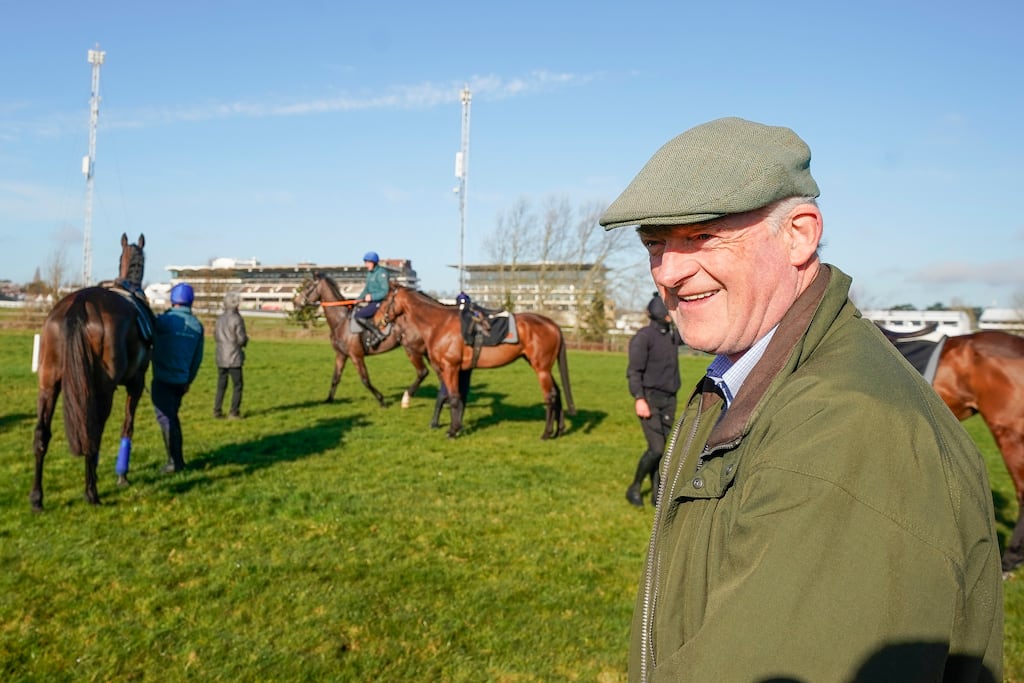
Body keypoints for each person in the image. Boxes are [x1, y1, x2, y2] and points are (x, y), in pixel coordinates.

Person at [599, 117, 1003, 681]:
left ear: (799, 234)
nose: (668, 271)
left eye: (700, 237)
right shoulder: (746, 373)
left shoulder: (843, 428)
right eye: (655, 244)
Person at [625, 292, 681, 508]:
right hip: (649, 398)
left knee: (664, 449)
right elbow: (634, 371)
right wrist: (639, 398)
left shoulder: (671, 335)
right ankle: (634, 488)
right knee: (656, 448)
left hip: (670, 398)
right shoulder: (644, 337)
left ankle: (657, 493)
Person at [151, 282, 204, 473]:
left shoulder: (163, 321)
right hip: (182, 381)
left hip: (163, 379)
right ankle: (177, 460)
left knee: (166, 418)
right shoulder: (197, 325)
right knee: (172, 416)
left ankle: (174, 462)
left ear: (173, 300)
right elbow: (197, 358)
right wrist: (189, 380)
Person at [213, 290, 248, 419]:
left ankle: (217, 410)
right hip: (234, 357)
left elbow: (215, 336)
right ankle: (234, 412)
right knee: (237, 385)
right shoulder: (237, 319)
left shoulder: (220, 319)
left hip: (221, 355)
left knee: (221, 385)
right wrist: (245, 341)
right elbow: (241, 339)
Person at [353, 250, 389, 349]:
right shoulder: (370, 274)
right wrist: (359, 299)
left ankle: (378, 334)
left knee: (358, 315)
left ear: (374, 262)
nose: (366, 265)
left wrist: (372, 297)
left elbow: (385, 291)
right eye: (365, 262)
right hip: (372, 302)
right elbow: (366, 289)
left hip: (381, 302)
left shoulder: (382, 273)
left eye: (368, 262)